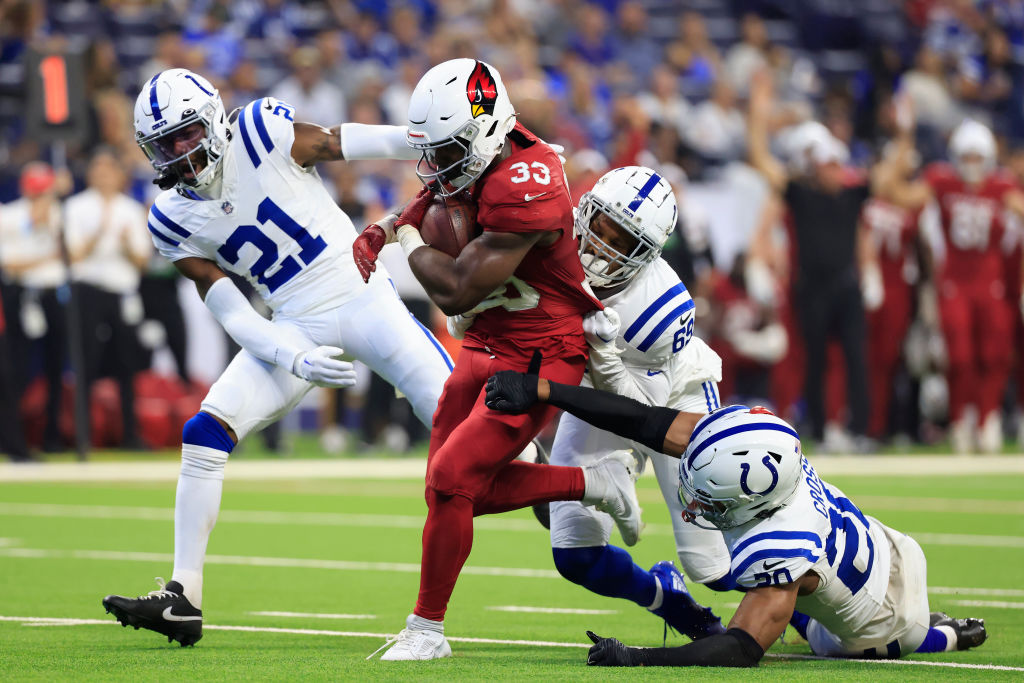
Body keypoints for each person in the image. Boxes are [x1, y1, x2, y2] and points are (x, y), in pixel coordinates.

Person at [101, 68, 457, 646]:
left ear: (214, 119)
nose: (181, 153)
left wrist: (438, 143)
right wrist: (293, 356)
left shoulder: (261, 132)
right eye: (167, 144)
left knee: (465, 426)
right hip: (292, 321)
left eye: (188, 134)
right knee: (204, 431)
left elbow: (347, 141)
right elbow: (235, 315)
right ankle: (183, 596)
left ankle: (568, 486)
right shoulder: (170, 217)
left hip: (362, 293)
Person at [353, 58, 643, 661]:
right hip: (487, 342)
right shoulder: (475, 159)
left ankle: (427, 630)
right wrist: (386, 226)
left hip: (543, 351)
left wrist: (403, 240)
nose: (435, 168)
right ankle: (593, 483)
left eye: (448, 150)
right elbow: (432, 192)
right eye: (430, 151)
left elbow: (457, 288)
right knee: (448, 490)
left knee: (453, 478)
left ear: (486, 131)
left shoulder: (530, 180)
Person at [483, 381, 989, 666]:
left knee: (829, 638)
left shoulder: (782, 544)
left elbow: (743, 647)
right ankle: (943, 629)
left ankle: (946, 635)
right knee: (747, 576)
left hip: (876, 625)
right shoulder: (759, 446)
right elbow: (641, 420)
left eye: (711, 496)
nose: (696, 501)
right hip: (883, 544)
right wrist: (547, 391)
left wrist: (637, 658)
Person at [539, 165, 729, 640]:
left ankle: (811, 615)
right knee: (575, 554)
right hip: (599, 395)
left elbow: (643, 414)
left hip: (673, 402)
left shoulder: (659, 307)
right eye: (600, 223)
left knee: (715, 563)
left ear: (645, 253)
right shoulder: (549, 235)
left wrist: (602, 353)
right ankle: (675, 606)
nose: (601, 243)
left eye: (621, 239)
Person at [880, 118, 1024, 452]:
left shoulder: (1000, 186)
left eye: (977, 157)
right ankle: (962, 420)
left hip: (991, 283)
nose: (972, 165)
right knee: (958, 357)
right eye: (967, 156)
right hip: (955, 282)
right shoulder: (942, 180)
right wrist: (902, 145)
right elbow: (898, 194)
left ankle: (987, 420)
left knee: (995, 354)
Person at [65, 148, 152, 448]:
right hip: (88, 291)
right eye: (97, 169)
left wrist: (126, 245)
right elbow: (73, 256)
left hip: (121, 292)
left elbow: (142, 261)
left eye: (108, 170)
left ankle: (130, 433)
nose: (103, 176)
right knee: (86, 362)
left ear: (118, 175)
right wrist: (99, 233)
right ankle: (83, 435)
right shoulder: (76, 207)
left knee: (126, 365)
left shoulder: (130, 208)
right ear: (90, 174)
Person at [0, 163, 68, 451]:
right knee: (17, 369)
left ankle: (52, 435)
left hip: (55, 295)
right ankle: (12, 437)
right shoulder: (9, 214)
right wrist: (47, 256)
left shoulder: (62, 213)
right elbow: (10, 265)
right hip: (21, 295)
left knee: (57, 369)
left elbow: (70, 254)